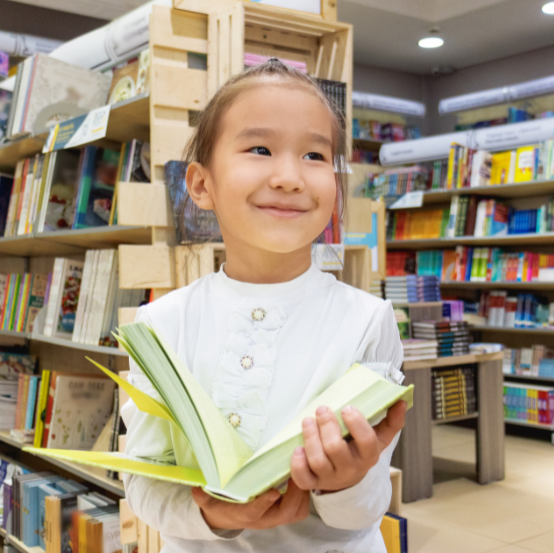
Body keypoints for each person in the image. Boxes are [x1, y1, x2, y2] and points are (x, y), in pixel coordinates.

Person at [121, 59, 407, 552]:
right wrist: (210, 513)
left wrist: (346, 482)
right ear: (201, 184)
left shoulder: (368, 320)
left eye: (316, 156)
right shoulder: (160, 324)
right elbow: (144, 487)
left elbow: (366, 510)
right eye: (260, 148)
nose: (290, 177)